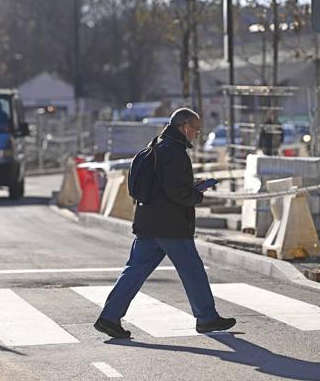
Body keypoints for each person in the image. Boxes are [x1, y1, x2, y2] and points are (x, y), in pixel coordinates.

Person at [94, 108, 236, 339]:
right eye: (196, 129)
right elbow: (176, 191)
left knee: (134, 272)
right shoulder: (175, 151)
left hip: (148, 222)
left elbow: (164, 185)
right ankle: (207, 318)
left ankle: (109, 318)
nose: (196, 134)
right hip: (170, 225)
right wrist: (196, 195)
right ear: (184, 127)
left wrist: (190, 187)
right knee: (193, 270)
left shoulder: (157, 145)